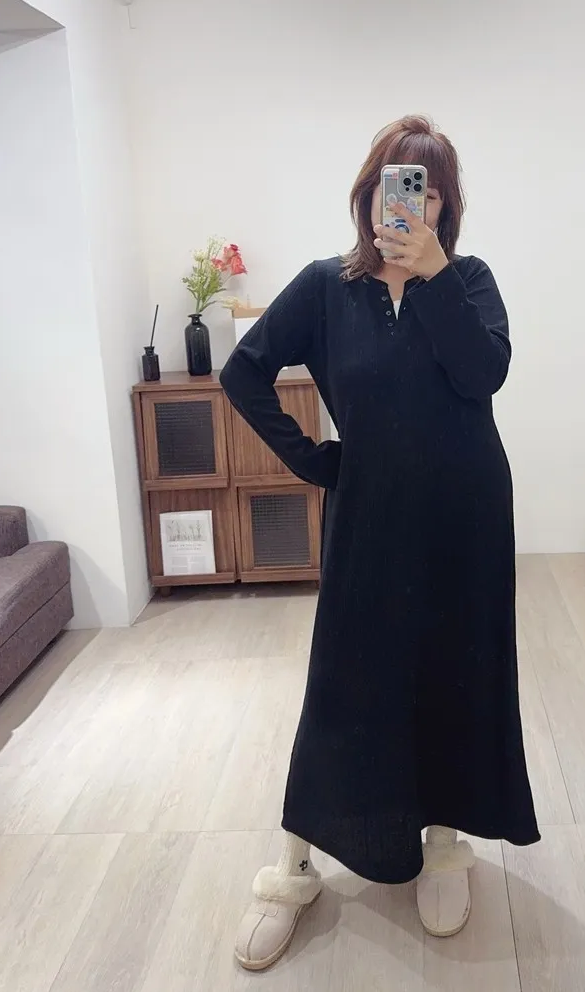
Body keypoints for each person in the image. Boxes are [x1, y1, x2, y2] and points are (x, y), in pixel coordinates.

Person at [221, 115, 539, 971]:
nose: (406, 205)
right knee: (344, 680)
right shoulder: (326, 287)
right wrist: (312, 460)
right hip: (368, 513)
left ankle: (442, 843)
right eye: (393, 187)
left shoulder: (469, 280)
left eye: (424, 191)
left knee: (455, 669)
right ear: (366, 198)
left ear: (443, 207)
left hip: (467, 513)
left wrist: (433, 275)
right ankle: (293, 866)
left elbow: (482, 374)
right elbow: (242, 370)